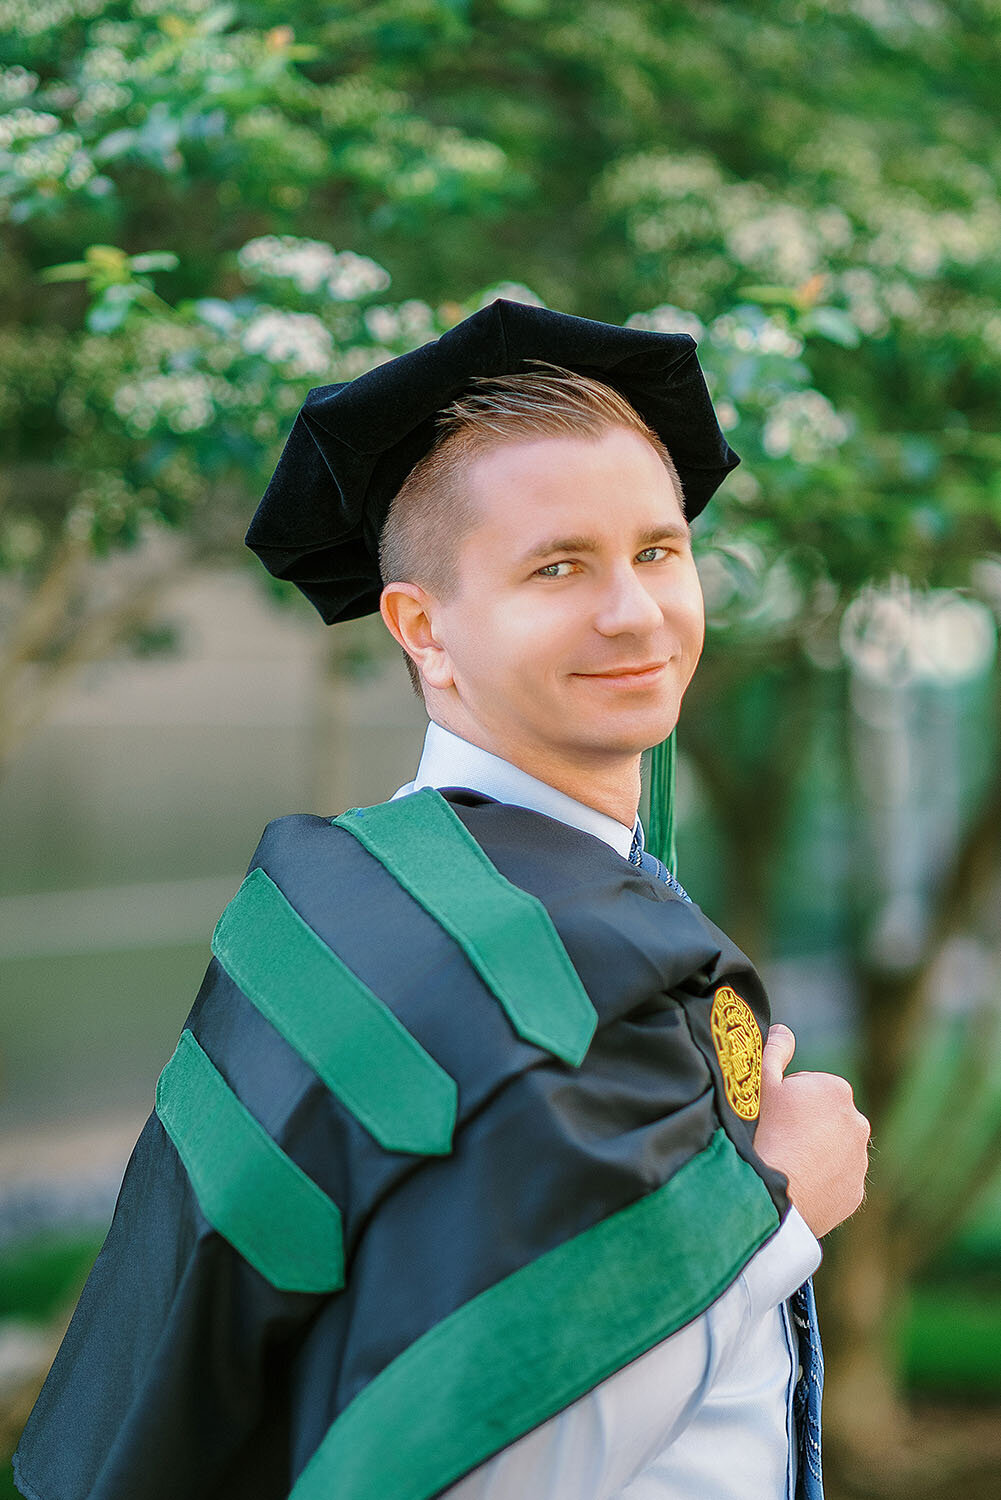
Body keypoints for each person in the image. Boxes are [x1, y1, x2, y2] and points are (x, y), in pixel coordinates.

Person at [13, 299, 869, 1500]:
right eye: (556, 566)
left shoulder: (353, 899)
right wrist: (778, 1208)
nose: (632, 612)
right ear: (422, 627)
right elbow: (492, 1458)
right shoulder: (527, 962)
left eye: (657, 550)